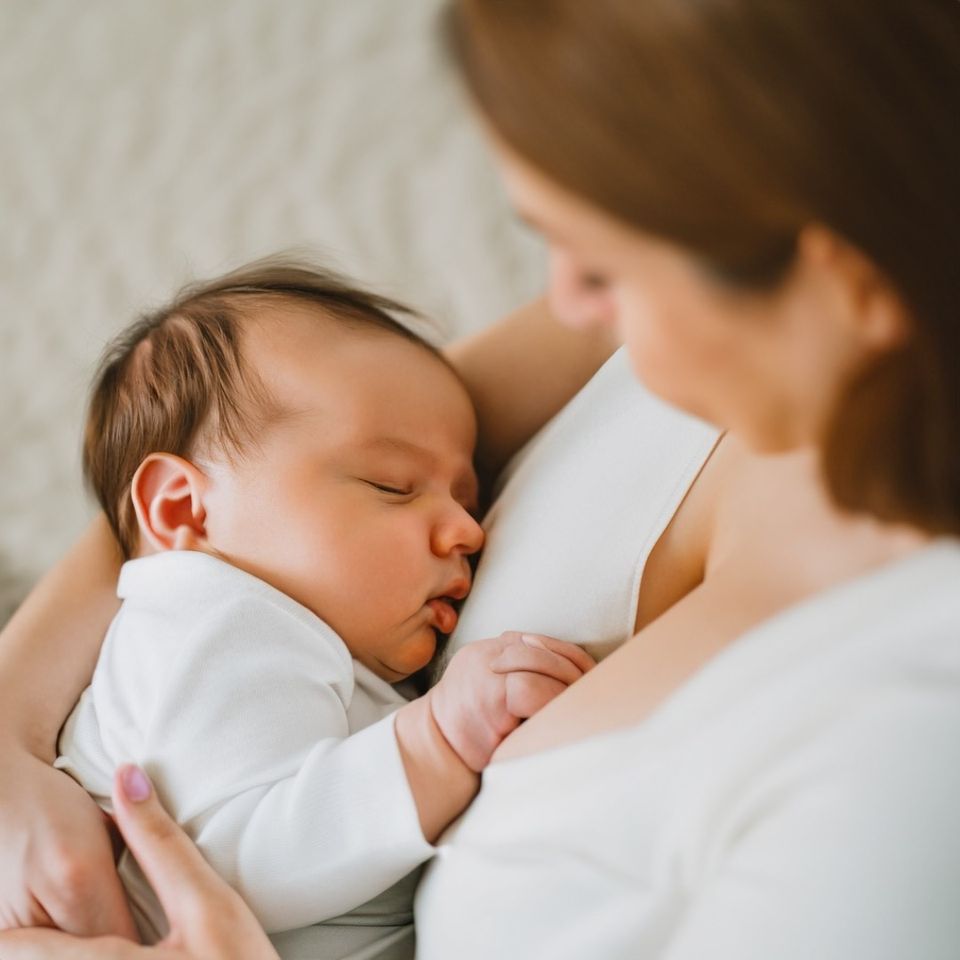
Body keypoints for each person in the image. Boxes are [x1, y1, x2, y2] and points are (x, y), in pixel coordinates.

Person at [2, 0, 959, 957]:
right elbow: (213, 471)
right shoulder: (664, 328)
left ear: (838, 275)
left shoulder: (892, 743)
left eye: (604, 258)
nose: (570, 299)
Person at [46, 259, 596, 959]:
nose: (465, 530)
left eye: (467, 498)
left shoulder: (300, 631)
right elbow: (241, 863)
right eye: (393, 486)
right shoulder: (219, 615)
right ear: (185, 508)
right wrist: (436, 741)